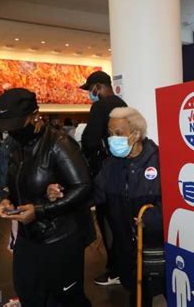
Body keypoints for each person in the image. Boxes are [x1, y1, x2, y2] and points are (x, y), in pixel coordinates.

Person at [50, 107, 164, 306]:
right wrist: (64, 195)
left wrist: (152, 218)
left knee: (163, 289)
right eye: (110, 134)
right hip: (126, 247)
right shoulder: (111, 165)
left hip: (155, 245)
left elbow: (174, 202)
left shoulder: (160, 160)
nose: (112, 139)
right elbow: (94, 194)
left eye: (118, 134)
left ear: (136, 134)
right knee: (136, 294)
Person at [0, 88, 93, 307]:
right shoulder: (14, 146)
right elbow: (15, 183)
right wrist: (6, 198)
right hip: (28, 236)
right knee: (28, 291)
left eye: (16, 124)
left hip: (60, 237)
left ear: (35, 115)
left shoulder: (59, 143)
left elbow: (84, 186)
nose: (11, 132)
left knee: (66, 299)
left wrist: (40, 211)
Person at [80, 70, 127, 286]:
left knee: (107, 221)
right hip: (125, 170)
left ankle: (115, 270)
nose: (91, 94)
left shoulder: (100, 106)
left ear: (98, 87)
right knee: (122, 222)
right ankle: (126, 267)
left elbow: (90, 141)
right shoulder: (123, 104)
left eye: (91, 90)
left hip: (106, 173)